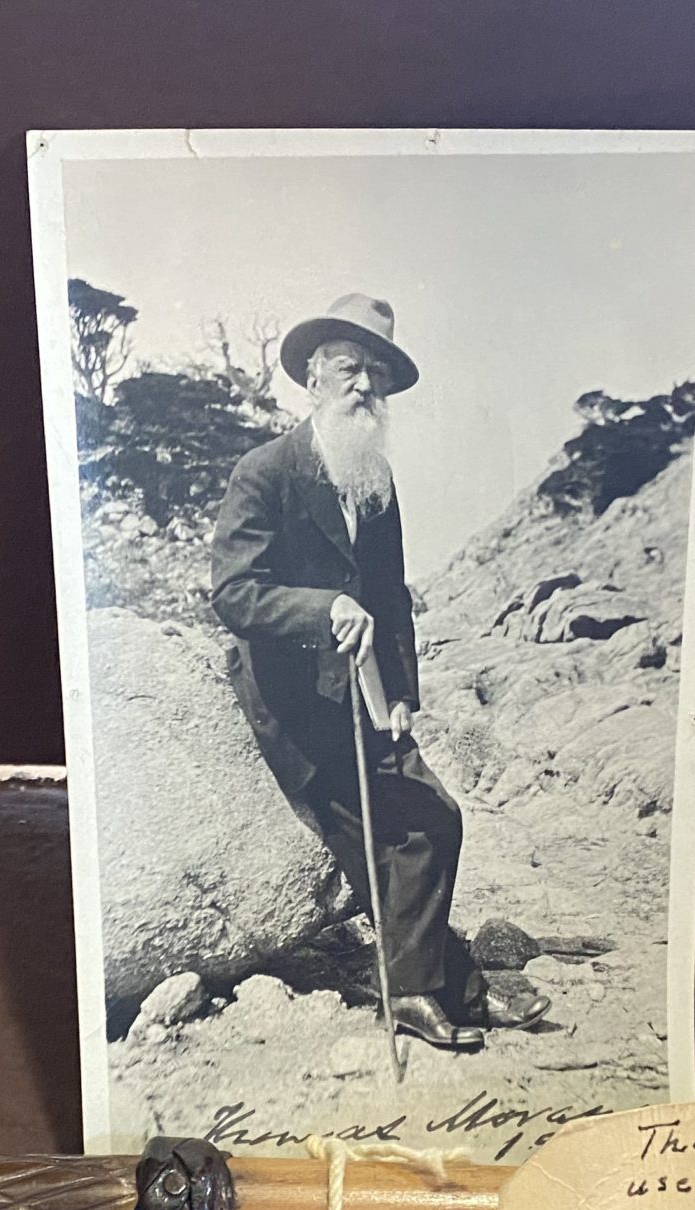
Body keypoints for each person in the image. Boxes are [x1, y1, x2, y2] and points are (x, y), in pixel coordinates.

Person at [208, 294, 547, 1049]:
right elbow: (235, 593)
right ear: (313, 379)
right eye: (350, 368)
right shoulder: (265, 471)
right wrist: (323, 606)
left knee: (435, 819)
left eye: (379, 375)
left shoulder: (376, 479)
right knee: (385, 838)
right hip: (291, 698)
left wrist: (399, 696)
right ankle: (434, 991)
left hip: (362, 694)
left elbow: (390, 600)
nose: (365, 386)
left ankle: (429, 988)